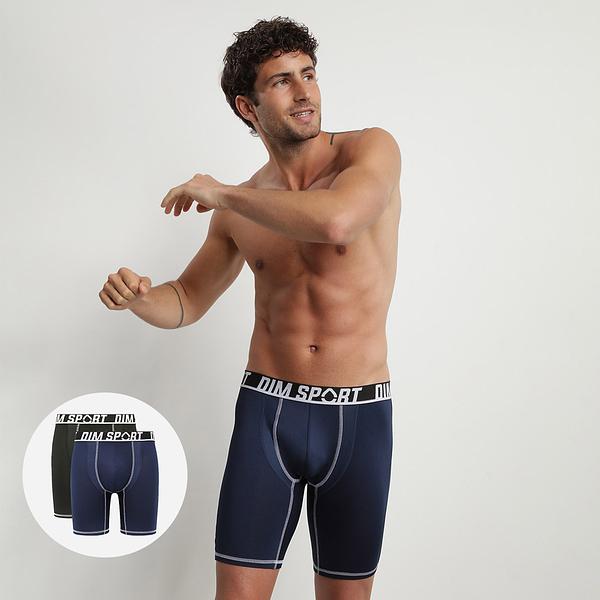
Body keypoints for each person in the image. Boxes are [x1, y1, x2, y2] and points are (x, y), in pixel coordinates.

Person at [99, 16, 401, 600]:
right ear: (248, 106)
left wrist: (223, 193)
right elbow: (187, 299)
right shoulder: (240, 207)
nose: (305, 91)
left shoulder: (370, 151)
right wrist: (139, 299)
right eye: (282, 81)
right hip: (268, 414)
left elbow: (338, 220)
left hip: (359, 417)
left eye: (308, 74)